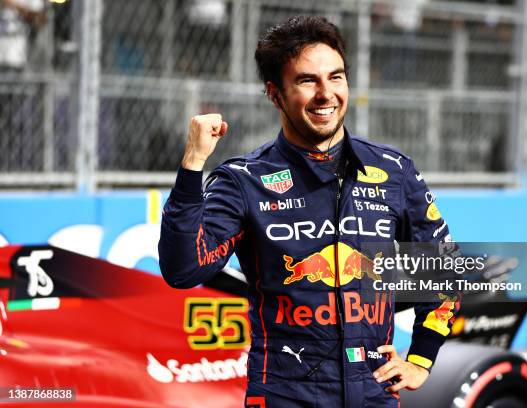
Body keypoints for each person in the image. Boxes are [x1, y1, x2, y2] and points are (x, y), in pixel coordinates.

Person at [159, 15, 457, 408]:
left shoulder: (393, 170)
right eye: (306, 81)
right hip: (285, 394)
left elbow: (443, 269)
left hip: (373, 393)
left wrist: (421, 358)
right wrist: (193, 165)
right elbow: (183, 269)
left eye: (335, 77)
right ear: (274, 94)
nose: (326, 94)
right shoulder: (243, 179)